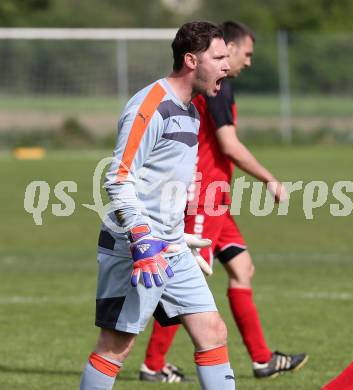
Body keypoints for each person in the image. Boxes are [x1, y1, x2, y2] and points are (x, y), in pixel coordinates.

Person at [140, 21, 308, 383]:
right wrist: (270, 179)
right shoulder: (218, 90)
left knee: (242, 268)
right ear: (227, 48)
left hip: (219, 198)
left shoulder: (218, 86)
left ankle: (263, 360)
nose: (247, 61)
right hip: (203, 197)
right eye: (245, 53)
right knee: (185, 276)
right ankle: (152, 365)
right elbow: (229, 145)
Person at [79, 21, 235, 390]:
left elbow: (162, 185)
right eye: (219, 57)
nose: (227, 66)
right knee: (117, 345)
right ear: (191, 60)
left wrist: (177, 237)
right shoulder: (150, 105)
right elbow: (118, 178)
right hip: (134, 248)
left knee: (212, 331)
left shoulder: (191, 111)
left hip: (171, 247)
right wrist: (143, 239)